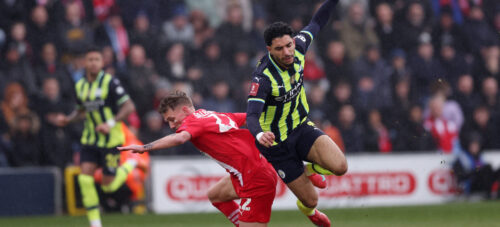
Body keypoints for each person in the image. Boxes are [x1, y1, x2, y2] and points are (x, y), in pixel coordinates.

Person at [246, 0, 347, 226]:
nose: (287, 52)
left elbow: (317, 21)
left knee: (340, 166)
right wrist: (259, 134)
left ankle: (310, 168)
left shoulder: (300, 46)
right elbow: (251, 116)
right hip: (276, 146)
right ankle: (308, 211)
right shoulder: (262, 78)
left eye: (288, 45)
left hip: (300, 128)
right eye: (279, 48)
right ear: (269, 49)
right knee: (311, 199)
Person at [118, 91, 277, 227]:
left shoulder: (193, 120)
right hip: (249, 172)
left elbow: (180, 139)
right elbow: (249, 118)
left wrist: (144, 147)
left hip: (255, 178)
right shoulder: (211, 114)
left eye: (172, 119)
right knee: (216, 195)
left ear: (185, 110)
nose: (172, 126)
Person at [55, 46, 137, 227]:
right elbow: (81, 111)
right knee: (85, 179)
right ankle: (95, 224)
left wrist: (109, 124)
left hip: (111, 140)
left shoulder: (110, 82)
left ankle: (129, 166)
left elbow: (129, 106)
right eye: (90, 59)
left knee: (108, 186)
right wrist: (67, 120)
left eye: (96, 60)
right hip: (90, 140)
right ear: (85, 62)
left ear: (102, 62)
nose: (93, 63)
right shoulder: (80, 85)